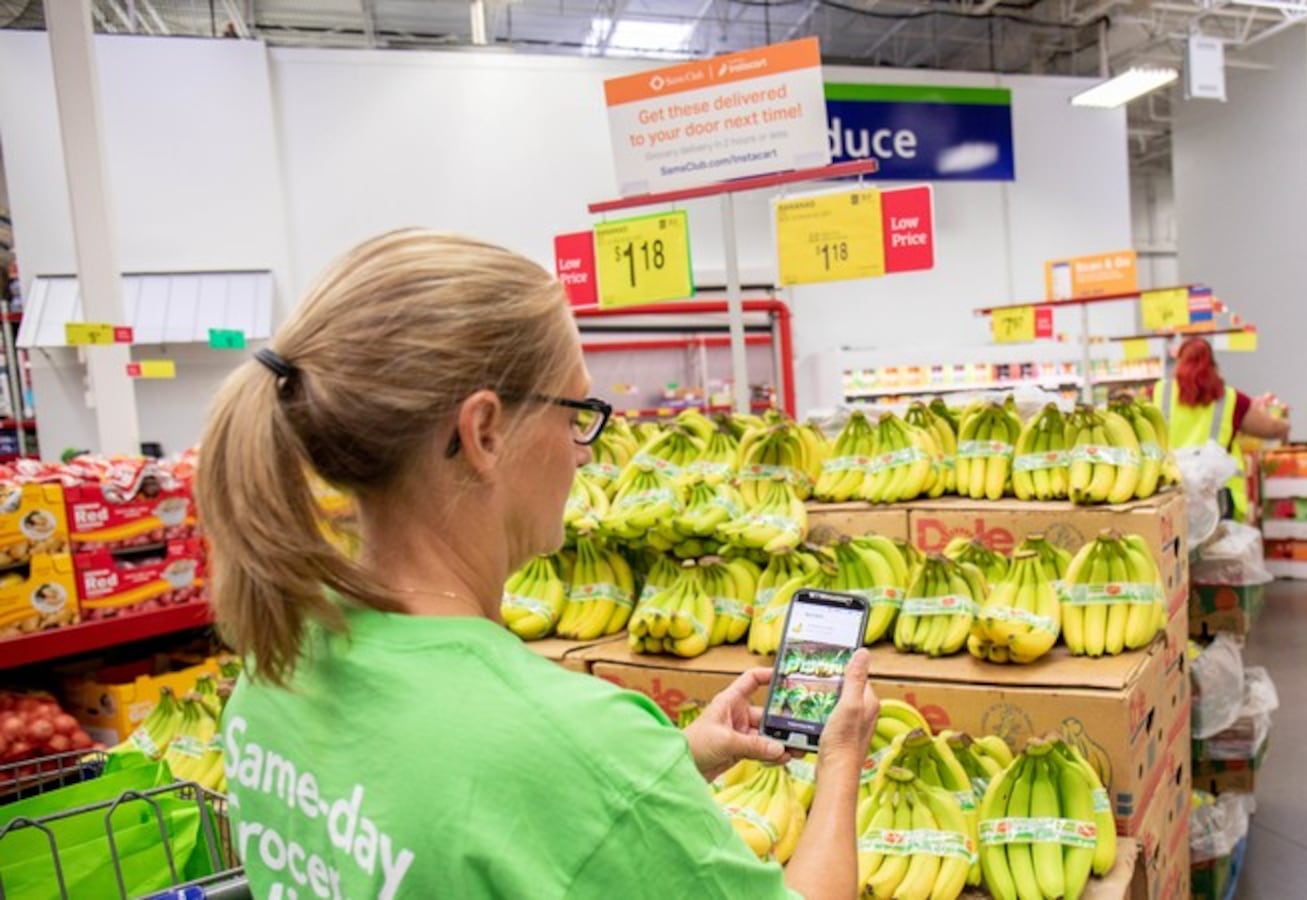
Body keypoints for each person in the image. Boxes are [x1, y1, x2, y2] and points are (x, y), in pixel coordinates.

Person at [197, 230, 877, 899]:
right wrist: (841, 756)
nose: (585, 451)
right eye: (576, 410)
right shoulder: (575, 743)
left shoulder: (275, 669)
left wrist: (668, 768)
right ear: (484, 432)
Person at [1152, 336, 1291, 521]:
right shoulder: (1230, 399)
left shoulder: (1159, 392)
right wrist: (1285, 425)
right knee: (1219, 549)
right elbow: (1270, 428)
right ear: (1212, 364)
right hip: (1218, 495)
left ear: (1179, 362)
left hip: (1171, 490)